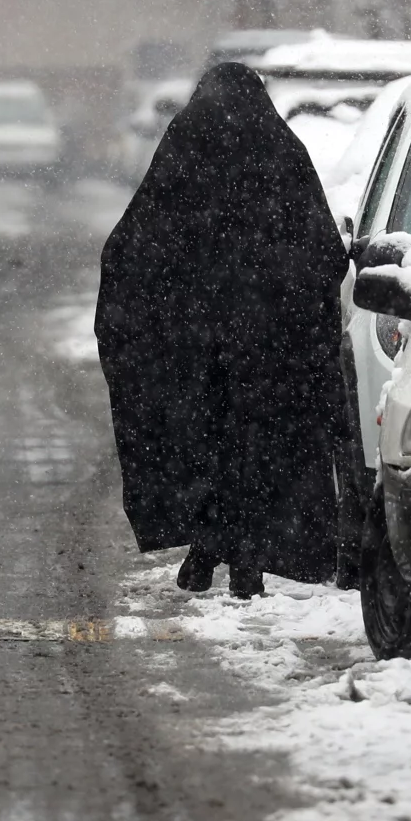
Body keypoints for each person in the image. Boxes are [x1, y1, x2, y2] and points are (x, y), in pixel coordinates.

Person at [94, 62, 350, 599]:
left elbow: (135, 244)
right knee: (259, 446)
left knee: (202, 443)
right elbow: (324, 249)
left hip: (192, 344)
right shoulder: (282, 152)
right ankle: (249, 554)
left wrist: (160, 312)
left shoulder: (184, 149)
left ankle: (208, 543)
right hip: (268, 343)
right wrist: (285, 300)